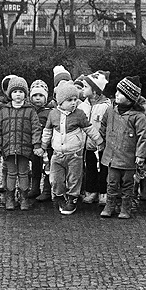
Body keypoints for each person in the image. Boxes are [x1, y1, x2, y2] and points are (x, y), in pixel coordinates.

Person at [41, 81, 104, 215]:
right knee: (56, 179)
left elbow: (89, 129)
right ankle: (59, 196)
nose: (74, 102)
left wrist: (99, 140)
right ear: (60, 102)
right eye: (69, 100)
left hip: (74, 154)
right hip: (57, 154)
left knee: (74, 178)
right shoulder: (53, 114)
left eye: (75, 99)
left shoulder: (79, 114)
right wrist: (43, 145)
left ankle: (72, 199)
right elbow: (47, 131)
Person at [99, 76, 146, 219]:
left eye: (121, 93)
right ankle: (109, 206)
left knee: (128, 184)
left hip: (129, 158)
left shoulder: (138, 116)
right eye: (117, 91)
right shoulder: (110, 111)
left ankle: (125, 208)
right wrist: (101, 142)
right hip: (112, 157)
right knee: (111, 183)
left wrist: (141, 155)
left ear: (130, 98)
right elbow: (103, 126)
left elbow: (143, 137)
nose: (116, 95)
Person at [0, 76, 43, 211]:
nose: (18, 95)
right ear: (10, 94)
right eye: (15, 92)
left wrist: (36, 144)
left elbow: (36, 128)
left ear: (25, 94)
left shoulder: (30, 110)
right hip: (9, 148)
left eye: (21, 92)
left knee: (24, 173)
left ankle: (24, 198)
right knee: (11, 173)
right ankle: (10, 198)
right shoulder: (4, 111)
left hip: (24, 148)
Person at [78, 71, 111, 205]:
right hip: (87, 145)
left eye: (86, 87)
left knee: (104, 169)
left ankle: (103, 192)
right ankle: (91, 191)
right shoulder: (82, 105)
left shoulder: (106, 107)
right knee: (90, 167)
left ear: (95, 90)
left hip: (101, 145)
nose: (83, 89)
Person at [0, 74, 18, 195]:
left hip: (19, 140)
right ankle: (5, 182)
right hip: (6, 140)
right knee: (6, 164)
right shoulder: (1, 107)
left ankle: (22, 184)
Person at [28, 79, 53, 201]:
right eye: (35, 95)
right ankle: (35, 188)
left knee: (47, 167)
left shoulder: (49, 113)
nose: (38, 98)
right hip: (33, 145)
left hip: (47, 146)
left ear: (46, 97)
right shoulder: (29, 111)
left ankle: (47, 191)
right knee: (35, 167)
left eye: (41, 95)